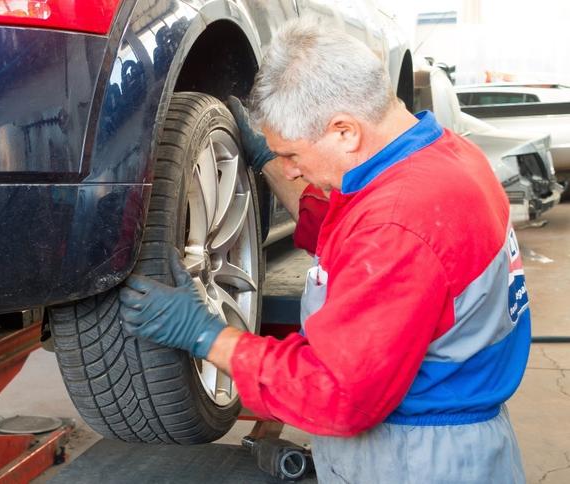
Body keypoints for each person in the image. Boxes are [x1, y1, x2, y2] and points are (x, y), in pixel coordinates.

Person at [118, 18, 528, 483]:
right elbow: (349, 231)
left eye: (292, 155)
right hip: (442, 441)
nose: (291, 171)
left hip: (418, 460)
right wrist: (268, 159)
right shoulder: (445, 156)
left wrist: (206, 335)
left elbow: (336, 393)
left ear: (344, 131)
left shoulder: (399, 223)